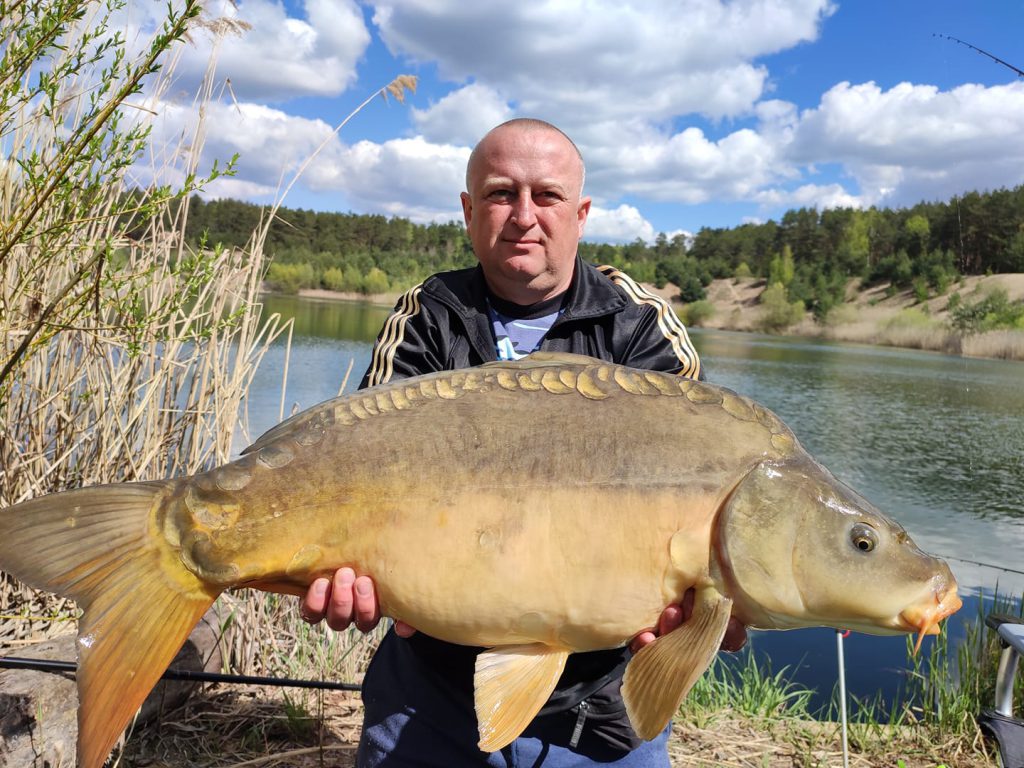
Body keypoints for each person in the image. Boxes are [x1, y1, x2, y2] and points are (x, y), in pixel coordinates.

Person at [300, 118, 746, 766]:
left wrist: (705, 612)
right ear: (468, 210)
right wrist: (352, 571)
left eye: (547, 195)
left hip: (602, 703)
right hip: (433, 686)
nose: (524, 216)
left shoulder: (640, 323)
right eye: (502, 193)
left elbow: (695, 494)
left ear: (581, 214)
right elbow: (361, 470)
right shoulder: (429, 313)